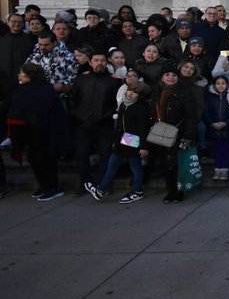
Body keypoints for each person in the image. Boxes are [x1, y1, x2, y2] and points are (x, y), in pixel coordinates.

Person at [84, 81, 151, 203]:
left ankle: (137, 190)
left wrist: (144, 146)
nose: (130, 93)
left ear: (140, 95)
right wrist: (115, 141)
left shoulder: (141, 107)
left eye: (135, 92)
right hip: (123, 138)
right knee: (113, 163)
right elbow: (119, 125)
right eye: (130, 90)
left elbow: (143, 128)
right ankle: (101, 189)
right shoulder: (123, 104)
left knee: (135, 166)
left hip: (133, 138)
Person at [6, 63, 65, 201]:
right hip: (30, 131)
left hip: (43, 131)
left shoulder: (43, 89)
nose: (19, 76)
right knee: (34, 159)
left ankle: (53, 187)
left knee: (44, 159)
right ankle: (44, 186)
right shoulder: (26, 89)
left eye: (21, 73)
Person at [71, 52, 123, 196]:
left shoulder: (114, 81)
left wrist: (108, 116)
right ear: (90, 62)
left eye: (102, 60)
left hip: (104, 124)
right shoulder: (82, 79)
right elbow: (73, 99)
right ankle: (84, 182)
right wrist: (77, 114)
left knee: (105, 154)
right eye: (96, 60)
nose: (99, 63)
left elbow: (117, 102)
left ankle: (103, 183)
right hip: (83, 124)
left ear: (106, 62)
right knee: (81, 154)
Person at [150, 63, 198, 203]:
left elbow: (191, 116)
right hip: (160, 131)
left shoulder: (185, 92)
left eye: (173, 75)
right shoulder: (157, 92)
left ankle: (179, 191)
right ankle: (170, 191)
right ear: (162, 78)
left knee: (177, 163)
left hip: (179, 132)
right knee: (165, 163)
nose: (171, 77)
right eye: (167, 75)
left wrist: (188, 136)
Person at [204, 75, 229, 181]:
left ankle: (224, 170)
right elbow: (205, 112)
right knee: (216, 150)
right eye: (218, 83)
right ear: (214, 85)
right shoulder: (210, 97)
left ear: (227, 85)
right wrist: (211, 123)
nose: (221, 86)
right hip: (213, 129)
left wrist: (226, 123)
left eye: (223, 83)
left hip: (226, 129)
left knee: (225, 149)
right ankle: (217, 170)